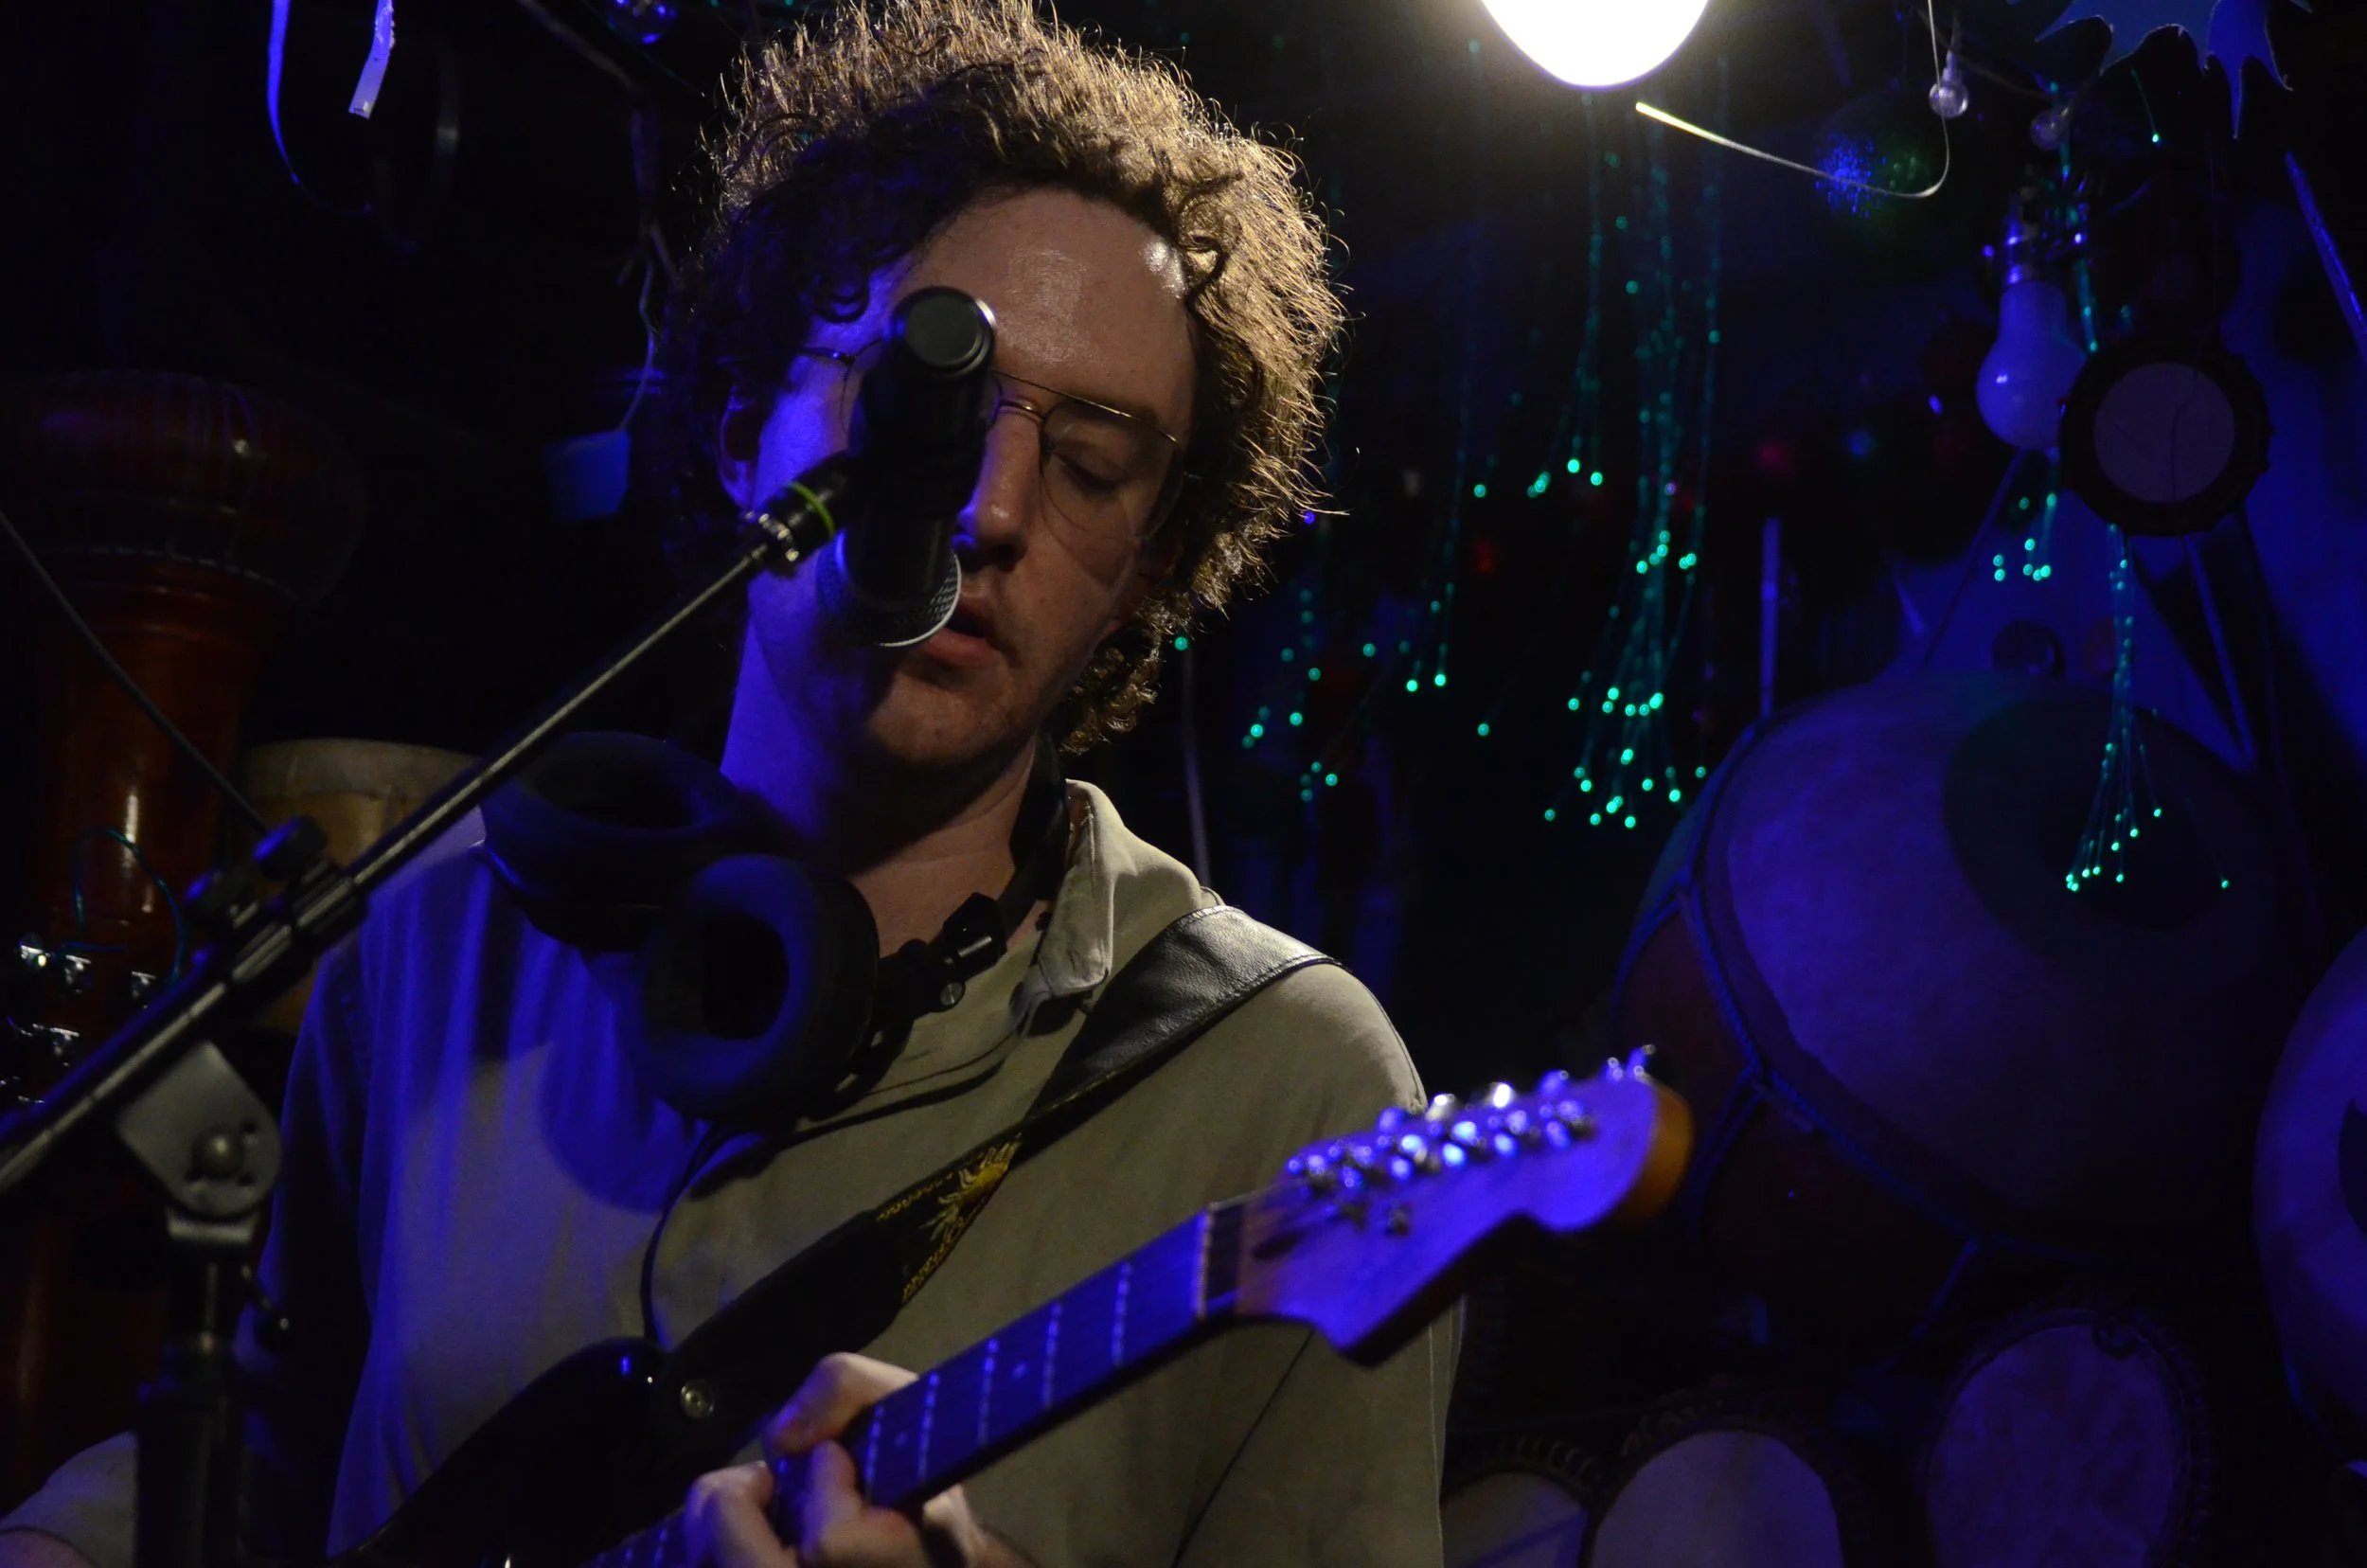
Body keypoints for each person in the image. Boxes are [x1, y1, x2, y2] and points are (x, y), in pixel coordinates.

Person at [0, 3, 1454, 1564]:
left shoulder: (1290, 1088)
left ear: (1150, 570)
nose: (988, 508)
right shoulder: (432, 944)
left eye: (1092, 466)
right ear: (742, 424)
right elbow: (261, 1481)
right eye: (921, 407)